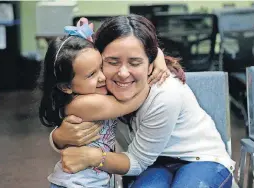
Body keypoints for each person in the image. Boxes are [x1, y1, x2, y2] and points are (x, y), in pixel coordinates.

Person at [50, 15, 235, 188]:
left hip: (200, 159)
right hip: (152, 164)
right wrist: (58, 137)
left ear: (150, 63)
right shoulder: (99, 85)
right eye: (112, 62)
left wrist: (94, 157)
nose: (123, 73)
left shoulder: (165, 93)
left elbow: (136, 161)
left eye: (135, 63)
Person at [39, 22, 167, 188]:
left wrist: (155, 57)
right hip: (76, 184)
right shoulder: (84, 104)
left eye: (101, 67)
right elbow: (131, 103)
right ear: (66, 87)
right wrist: (151, 71)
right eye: (91, 74)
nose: (102, 77)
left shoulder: (91, 93)